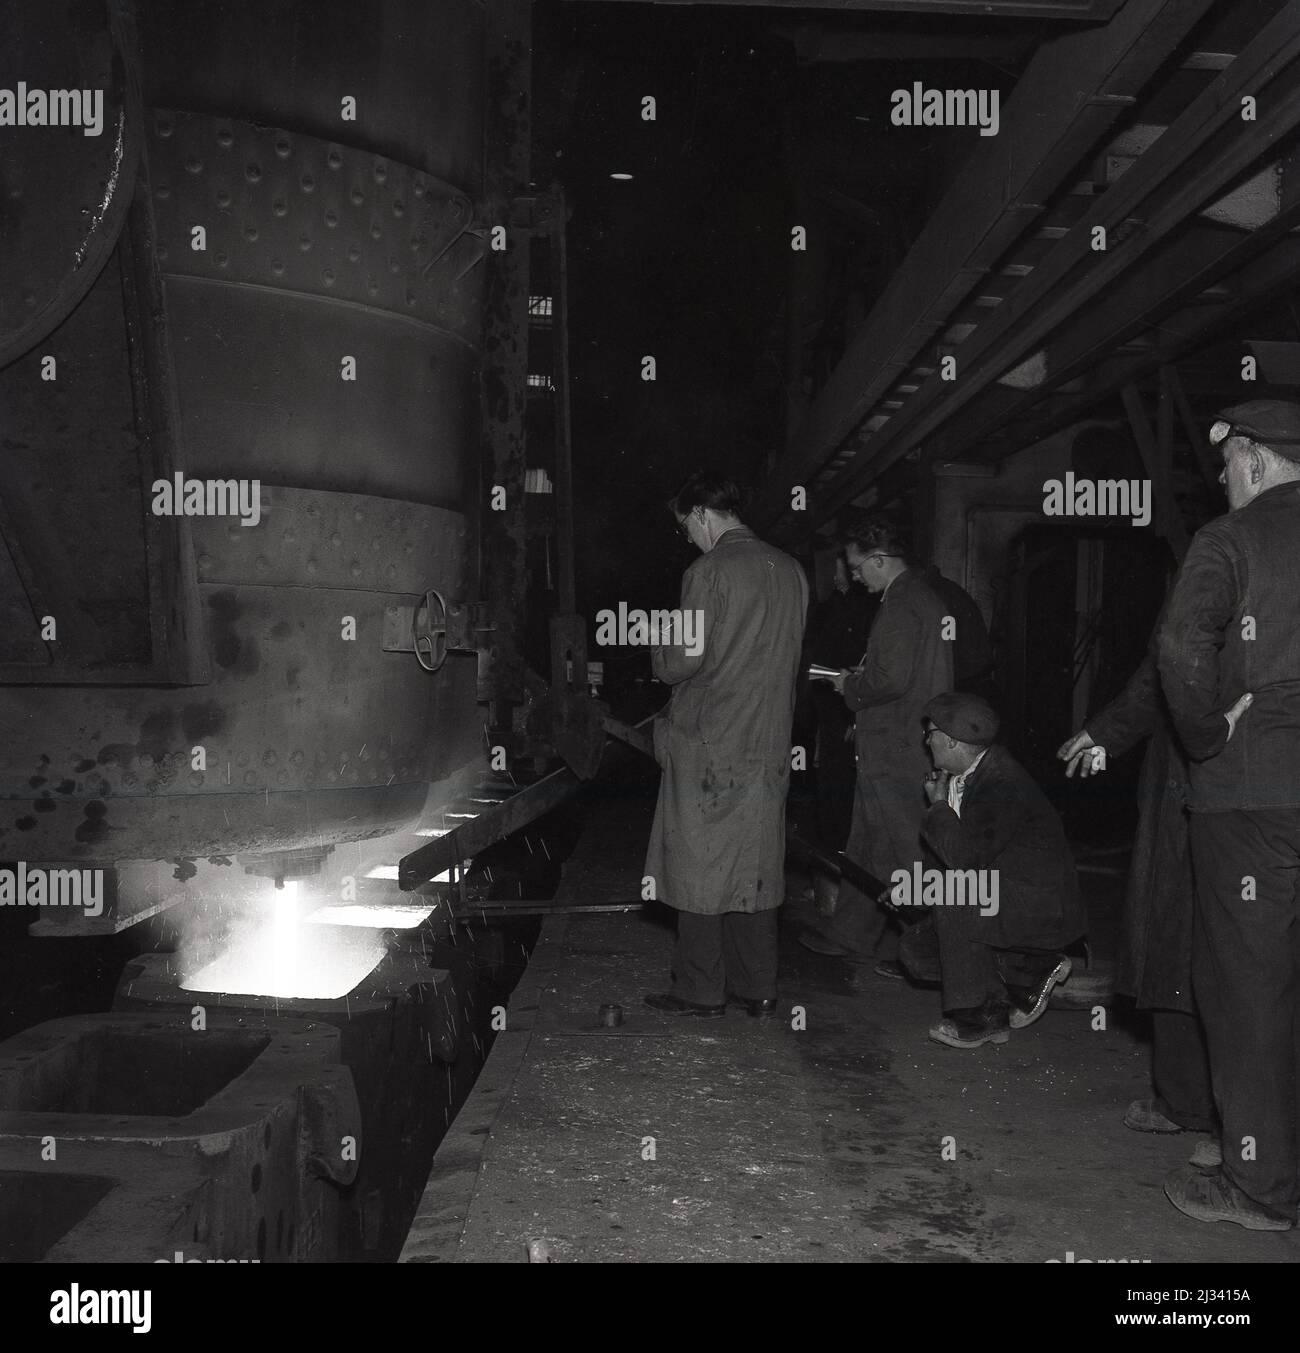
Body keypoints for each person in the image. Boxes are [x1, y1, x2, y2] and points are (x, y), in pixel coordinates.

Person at [1157, 399, 1300, 1232]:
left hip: (1254, 795)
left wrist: (1208, 731)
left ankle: (1260, 1185)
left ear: (1252, 457)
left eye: (1225, 462)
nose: (1220, 478)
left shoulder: (1231, 539)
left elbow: (1180, 646)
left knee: (1250, 983)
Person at [643, 473, 809, 1019]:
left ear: (700, 515)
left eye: (684, 527)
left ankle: (699, 989)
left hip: (710, 743)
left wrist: (656, 650)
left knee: (699, 866)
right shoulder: (791, 571)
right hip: (768, 744)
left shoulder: (708, 571)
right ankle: (758, 986)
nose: (686, 538)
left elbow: (683, 660)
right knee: (754, 867)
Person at [1058, 650, 1220, 1169]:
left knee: (1182, 936)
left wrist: (1111, 727)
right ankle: (1206, 1105)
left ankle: (1218, 1115)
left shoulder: (1225, 568)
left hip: (1217, 786)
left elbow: (1175, 655)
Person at [799, 517, 952, 966]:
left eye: (858, 566)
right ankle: (849, 934)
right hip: (897, 741)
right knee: (868, 843)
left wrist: (851, 686)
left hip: (896, 746)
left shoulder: (903, 604)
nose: (853, 576)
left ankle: (945, 947)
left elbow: (891, 679)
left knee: (909, 849)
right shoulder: (922, 599)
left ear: (880, 561)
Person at [899, 693, 1085, 1049]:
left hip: (1040, 908)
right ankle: (1027, 971)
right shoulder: (964, 774)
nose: (927, 740)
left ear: (952, 740)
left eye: (932, 732)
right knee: (915, 950)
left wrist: (938, 808)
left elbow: (965, 862)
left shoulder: (1001, 783)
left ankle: (978, 1016)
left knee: (955, 896)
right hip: (1006, 895)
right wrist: (910, 888)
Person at [801, 556, 878, 914]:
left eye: (839, 566)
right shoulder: (834, 607)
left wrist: (855, 717)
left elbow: (861, 669)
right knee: (829, 803)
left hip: (846, 718)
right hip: (830, 715)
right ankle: (830, 886)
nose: (833, 574)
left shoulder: (864, 608)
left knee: (843, 805)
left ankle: (844, 894)